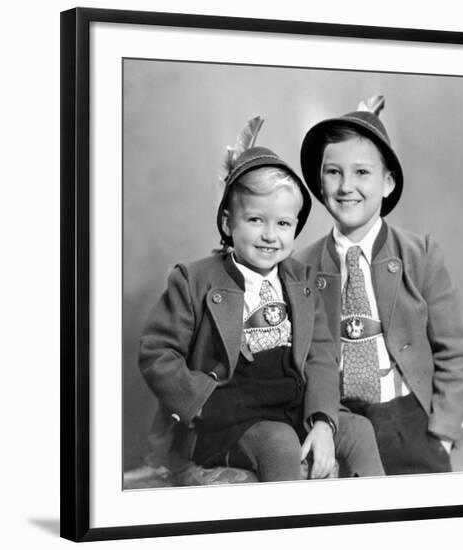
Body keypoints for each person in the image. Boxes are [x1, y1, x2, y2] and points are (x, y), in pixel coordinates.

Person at [138, 118, 384, 482]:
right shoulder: (195, 280)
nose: (270, 236)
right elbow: (156, 352)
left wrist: (321, 421)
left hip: (293, 404)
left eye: (283, 224)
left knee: (359, 430)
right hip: (231, 415)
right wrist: (201, 402)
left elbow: (320, 355)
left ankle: (376, 525)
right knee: (280, 442)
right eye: (255, 220)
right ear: (228, 223)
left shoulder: (300, 282)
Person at [296, 96, 463, 475]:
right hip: (341, 423)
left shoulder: (420, 254)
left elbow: (454, 350)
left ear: (387, 182)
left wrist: (441, 434)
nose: (346, 186)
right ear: (320, 180)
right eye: (333, 172)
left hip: (409, 421)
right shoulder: (301, 266)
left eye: (362, 173)